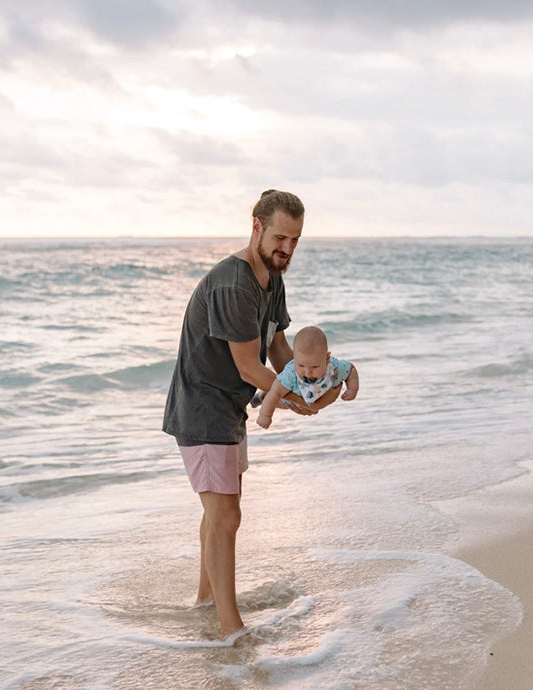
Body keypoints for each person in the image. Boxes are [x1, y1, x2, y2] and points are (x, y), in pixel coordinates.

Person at [162, 190, 339, 641]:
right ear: (256, 226)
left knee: (218, 513)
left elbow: (280, 348)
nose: (287, 249)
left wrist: (309, 384)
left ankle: (206, 601)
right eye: (281, 237)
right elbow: (247, 366)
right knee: (226, 516)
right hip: (202, 409)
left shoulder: (271, 279)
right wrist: (290, 398)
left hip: (229, 409)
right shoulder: (233, 284)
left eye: (295, 240)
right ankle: (230, 628)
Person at [256, 325, 358, 429]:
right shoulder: (291, 374)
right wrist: (265, 415)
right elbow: (275, 393)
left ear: (326, 358)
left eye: (314, 367)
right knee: (279, 401)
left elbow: (351, 369)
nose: (308, 372)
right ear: (295, 358)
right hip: (292, 396)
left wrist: (352, 389)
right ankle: (261, 397)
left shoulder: (334, 367)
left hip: (319, 393)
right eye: (301, 366)